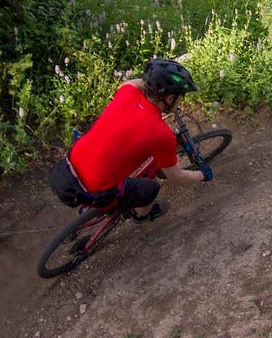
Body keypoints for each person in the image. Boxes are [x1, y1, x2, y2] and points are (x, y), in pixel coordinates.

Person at [48, 58, 212, 220]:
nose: (181, 100)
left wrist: (152, 84)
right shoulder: (161, 134)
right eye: (180, 97)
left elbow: (133, 83)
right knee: (151, 188)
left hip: (69, 166)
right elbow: (177, 177)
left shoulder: (127, 93)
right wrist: (202, 175)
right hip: (94, 191)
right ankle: (140, 216)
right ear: (169, 98)